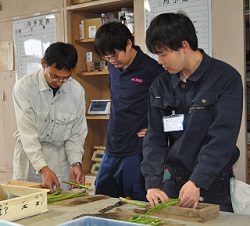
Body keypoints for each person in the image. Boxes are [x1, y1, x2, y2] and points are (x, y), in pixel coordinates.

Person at [141, 12, 243, 212]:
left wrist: (197, 181)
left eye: (163, 54)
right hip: (172, 182)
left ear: (184, 46)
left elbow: (223, 137)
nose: (159, 61)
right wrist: (153, 184)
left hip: (211, 182)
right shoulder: (160, 85)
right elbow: (154, 138)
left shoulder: (226, 78)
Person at [94, 22, 165, 201]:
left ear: (128, 44)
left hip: (136, 150)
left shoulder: (152, 70)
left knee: (139, 205)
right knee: (100, 201)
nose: (112, 61)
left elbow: (170, 105)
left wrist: (157, 128)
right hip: (112, 146)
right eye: (107, 58)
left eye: (115, 56)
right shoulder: (113, 66)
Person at [12, 42, 88, 193]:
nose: (59, 82)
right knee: (28, 208)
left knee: (61, 208)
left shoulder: (77, 91)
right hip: (30, 160)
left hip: (60, 158)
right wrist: (43, 167)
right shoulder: (24, 88)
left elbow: (76, 133)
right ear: (43, 64)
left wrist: (75, 163)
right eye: (54, 77)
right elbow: (28, 134)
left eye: (65, 78)